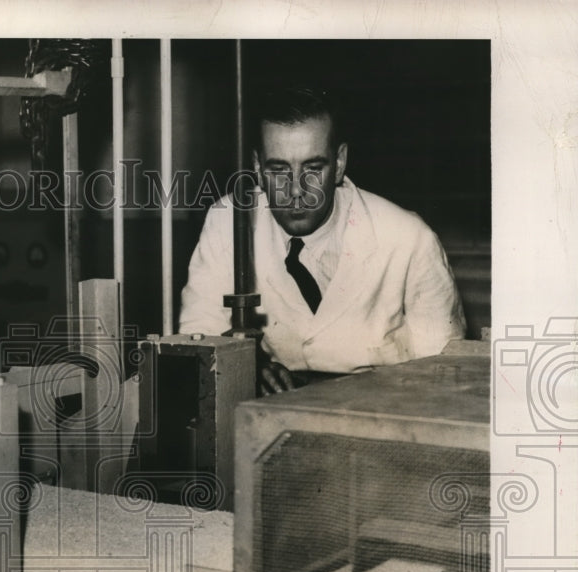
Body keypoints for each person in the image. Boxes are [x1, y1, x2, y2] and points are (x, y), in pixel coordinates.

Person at [178, 85, 466, 394]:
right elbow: (198, 339)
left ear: (339, 162)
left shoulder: (408, 238)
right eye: (279, 170)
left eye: (313, 168)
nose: (297, 191)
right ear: (258, 168)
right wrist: (243, 367)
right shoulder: (227, 222)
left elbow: (443, 378)